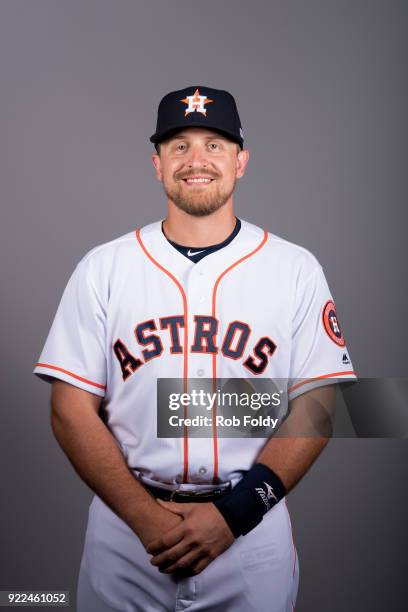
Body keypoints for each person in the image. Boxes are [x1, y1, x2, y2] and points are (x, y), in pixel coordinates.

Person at [33, 85, 357, 612]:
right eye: (179, 145)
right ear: (157, 163)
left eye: (215, 144)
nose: (196, 160)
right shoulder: (103, 268)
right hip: (127, 536)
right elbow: (70, 410)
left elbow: (320, 406)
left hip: (250, 536)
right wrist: (145, 520)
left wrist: (234, 516)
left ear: (241, 161)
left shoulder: (295, 269)